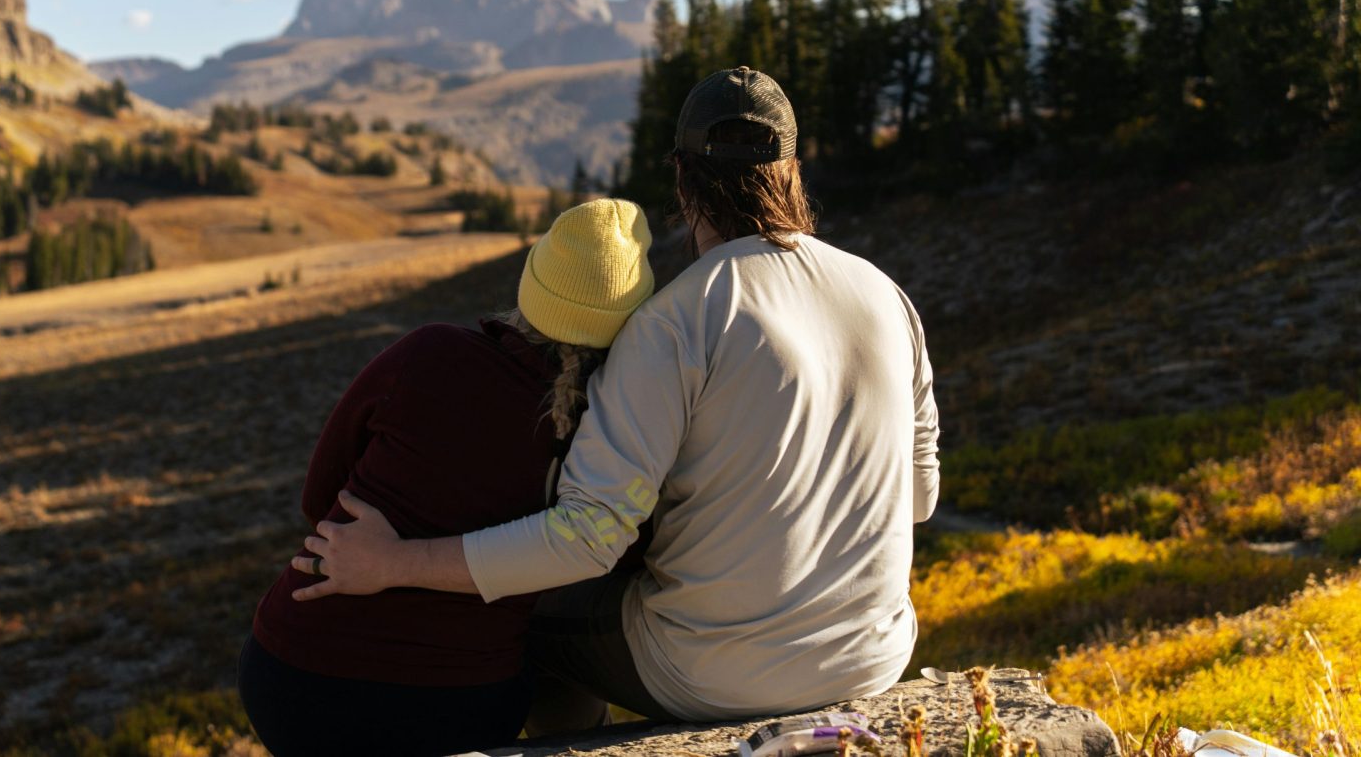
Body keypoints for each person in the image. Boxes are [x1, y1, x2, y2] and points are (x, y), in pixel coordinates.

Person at [294, 67, 941, 733]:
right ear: (792, 170)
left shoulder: (676, 321)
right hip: (874, 654)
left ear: (682, 181)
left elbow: (584, 538)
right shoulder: (886, 295)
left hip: (711, 673)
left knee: (533, 616)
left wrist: (394, 561)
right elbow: (920, 497)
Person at [239, 197, 655, 756]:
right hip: (456, 706)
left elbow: (320, 498)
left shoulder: (427, 353)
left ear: (530, 287)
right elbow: (619, 557)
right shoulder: (613, 432)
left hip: (291, 678)